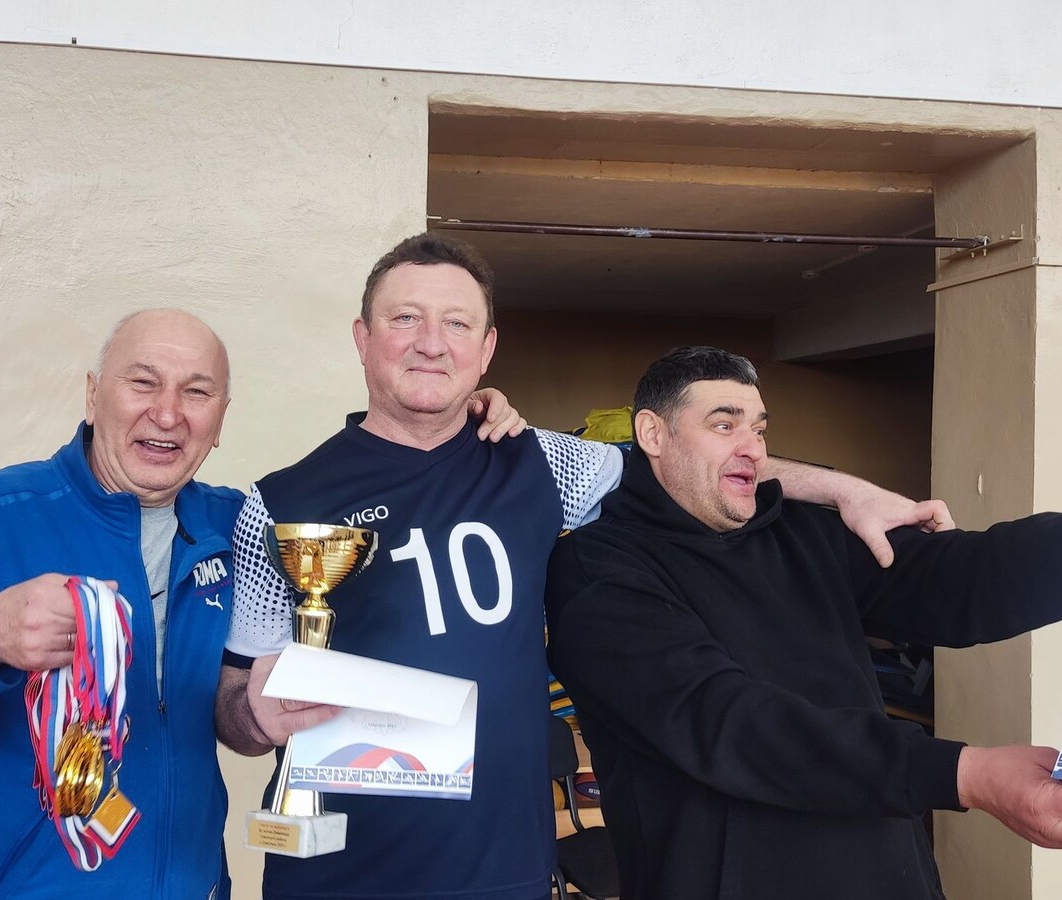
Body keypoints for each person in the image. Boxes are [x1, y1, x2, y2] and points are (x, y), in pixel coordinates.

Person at [214, 233, 959, 900]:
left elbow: (690, 465)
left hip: (507, 870)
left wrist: (848, 491)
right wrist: (254, 716)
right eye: (405, 317)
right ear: (363, 336)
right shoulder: (276, 503)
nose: (431, 343)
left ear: (487, 348)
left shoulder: (542, 462)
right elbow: (234, 711)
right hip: (335, 873)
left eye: (457, 323)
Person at [0, 307, 525, 899]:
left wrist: (466, 427)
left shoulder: (242, 528)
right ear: (94, 394)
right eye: (142, 382)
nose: (168, 412)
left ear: (221, 419)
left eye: (197, 392)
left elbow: (235, 713)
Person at [542, 345, 1062, 900]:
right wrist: (964, 773)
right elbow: (731, 723)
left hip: (888, 876)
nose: (752, 447)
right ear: (652, 434)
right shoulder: (596, 573)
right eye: (723, 425)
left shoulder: (805, 533)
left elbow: (963, 578)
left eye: (759, 428)